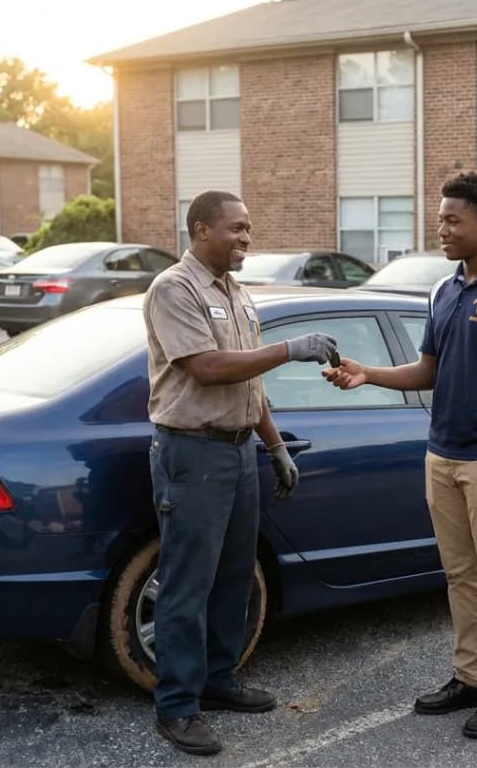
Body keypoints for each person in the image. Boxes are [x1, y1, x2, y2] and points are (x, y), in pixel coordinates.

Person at [322, 172, 477, 739]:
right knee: (459, 575)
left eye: (452, 219)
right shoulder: (444, 291)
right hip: (441, 454)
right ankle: (468, 678)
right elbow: (426, 370)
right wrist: (365, 373)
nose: (440, 229)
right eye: (440, 218)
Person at [143, 190, 338, 756]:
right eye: (236, 229)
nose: (246, 238)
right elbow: (206, 370)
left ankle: (219, 681)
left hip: (236, 452)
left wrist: (275, 447)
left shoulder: (236, 292)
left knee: (233, 574)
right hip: (192, 453)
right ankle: (177, 706)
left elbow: (248, 386)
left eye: (249, 229)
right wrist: (289, 349)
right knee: (187, 582)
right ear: (201, 230)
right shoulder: (173, 290)